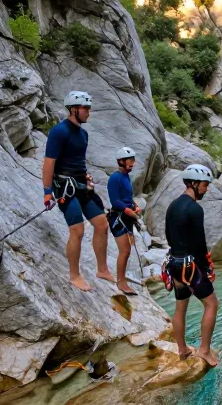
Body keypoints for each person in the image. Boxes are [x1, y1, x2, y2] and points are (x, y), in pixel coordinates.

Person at [42, 91, 114, 292]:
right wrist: (47, 192)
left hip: (81, 185)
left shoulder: (83, 134)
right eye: (86, 109)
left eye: (89, 108)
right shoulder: (59, 131)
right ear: (74, 109)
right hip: (65, 187)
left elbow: (77, 160)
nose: (89, 112)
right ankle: (74, 275)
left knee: (101, 224)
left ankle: (102, 270)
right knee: (78, 230)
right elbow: (49, 163)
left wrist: (86, 175)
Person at [161, 164, 220, 367]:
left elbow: (168, 236)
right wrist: (207, 269)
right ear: (194, 183)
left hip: (174, 263)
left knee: (181, 306)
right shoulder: (195, 209)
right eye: (205, 184)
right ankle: (204, 350)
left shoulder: (173, 205)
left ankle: (183, 349)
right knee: (212, 304)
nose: (206, 189)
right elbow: (199, 243)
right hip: (189, 265)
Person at [107, 147, 142, 296]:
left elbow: (127, 197)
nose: (132, 164)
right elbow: (115, 201)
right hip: (118, 218)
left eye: (133, 160)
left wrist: (135, 206)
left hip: (126, 217)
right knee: (125, 250)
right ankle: (121, 282)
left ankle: (123, 278)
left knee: (128, 251)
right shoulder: (115, 178)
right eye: (130, 160)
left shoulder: (126, 177)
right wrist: (129, 212)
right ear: (121, 161)